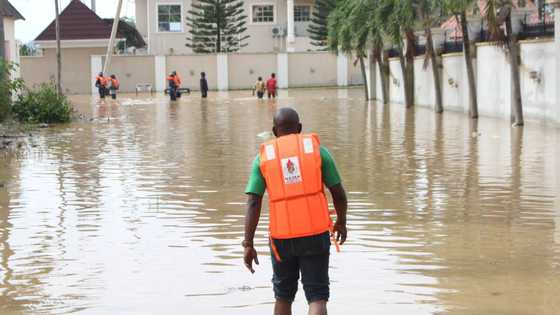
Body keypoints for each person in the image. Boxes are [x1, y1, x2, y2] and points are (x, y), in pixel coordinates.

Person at [243, 107, 348, 315]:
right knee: (317, 297)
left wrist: (248, 243)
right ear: (299, 128)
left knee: (283, 296)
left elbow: (253, 203)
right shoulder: (318, 152)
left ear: (274, 131)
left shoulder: (262, 158)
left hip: (281, 237)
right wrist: (341, 222)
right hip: (315, 234)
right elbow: (339, 193)